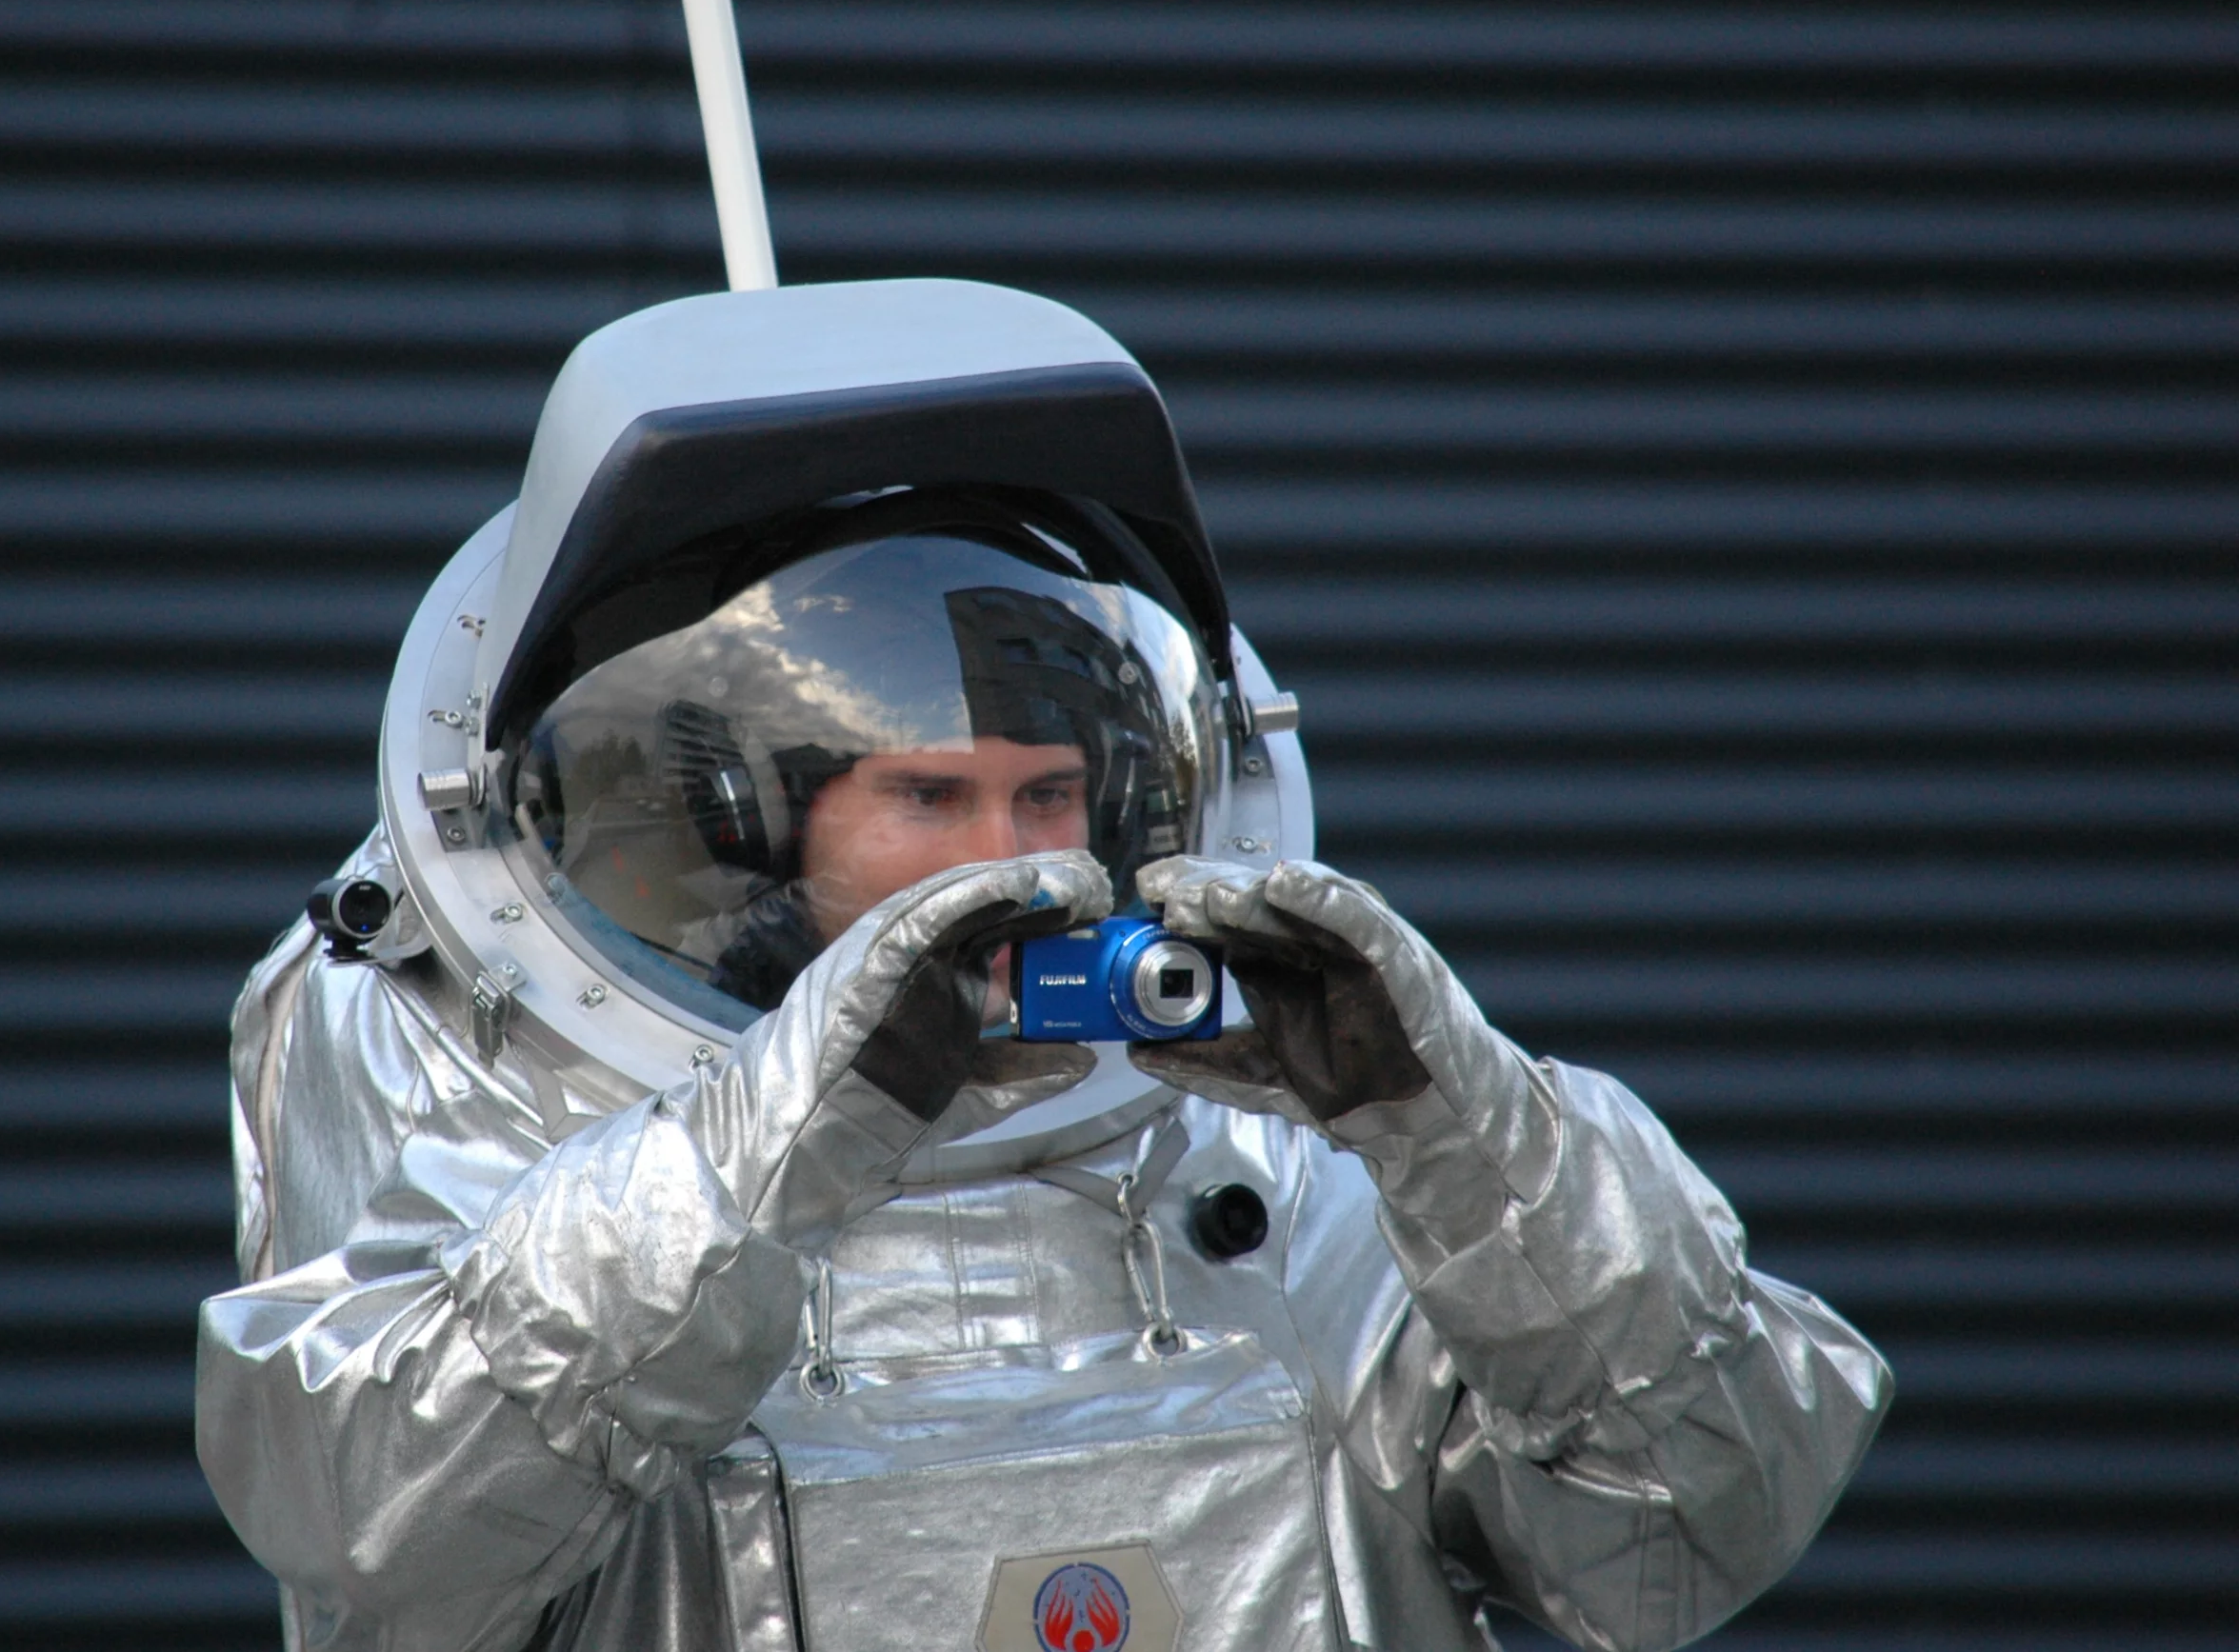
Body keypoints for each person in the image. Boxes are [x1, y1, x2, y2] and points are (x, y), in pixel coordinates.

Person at [197, 279, 1888, 1652]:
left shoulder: (1279, 1108)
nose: (1009, 859)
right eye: (927, 798)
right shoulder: (475, 1045)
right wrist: (782, 1138)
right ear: (750, 823)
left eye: (1049, 795)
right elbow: (377, 1530)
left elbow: (1687, 1534)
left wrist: (1464, 1133)